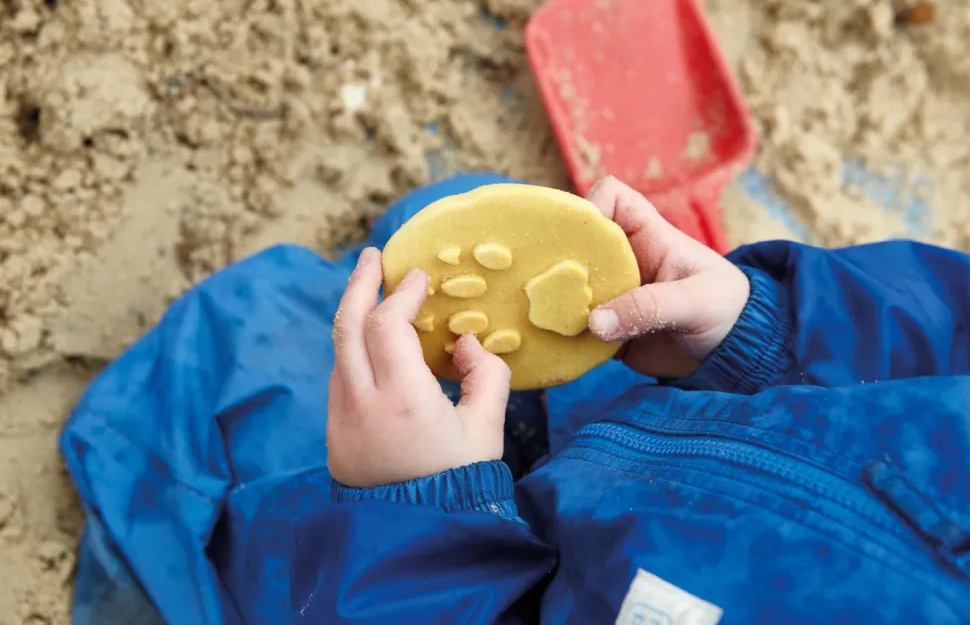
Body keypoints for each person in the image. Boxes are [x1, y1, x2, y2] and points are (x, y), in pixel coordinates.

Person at [61, 175, 970, 625]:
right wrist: (759, 332)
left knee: (211, 367)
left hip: (450, 593)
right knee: (460, 219)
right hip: (677, 432)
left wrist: (409, 520)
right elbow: (942, 326)